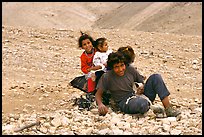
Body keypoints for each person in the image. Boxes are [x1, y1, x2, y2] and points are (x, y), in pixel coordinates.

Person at [95, 51, 181, 117]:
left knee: (156, 77)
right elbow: (98, 94)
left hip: (139, 95)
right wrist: (100, 104)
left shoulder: (130, 70)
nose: (121, 69)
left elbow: (141, 81)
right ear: (112, 67)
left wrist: (141, 87)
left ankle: (168, 108)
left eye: (122, 65)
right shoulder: (107, 77)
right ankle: (152, 108)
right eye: (116, 67)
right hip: (125, 102)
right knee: (142, 104)